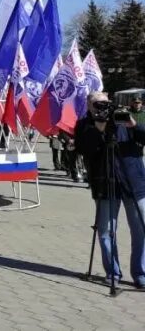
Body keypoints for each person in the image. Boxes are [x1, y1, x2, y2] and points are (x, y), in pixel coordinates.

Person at [75, 91, 145, 289]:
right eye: (98, 104)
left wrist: (132, 123)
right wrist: (98, 128)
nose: (103, 107)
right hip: (105, 184)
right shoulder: (84, 125)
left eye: (105, 103)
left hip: (134, 183)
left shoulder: (122, 117)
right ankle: (112, 272)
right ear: (89, 106)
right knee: (105, 230)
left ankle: (140, 273)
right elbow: (83, 149)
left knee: (141, 229)